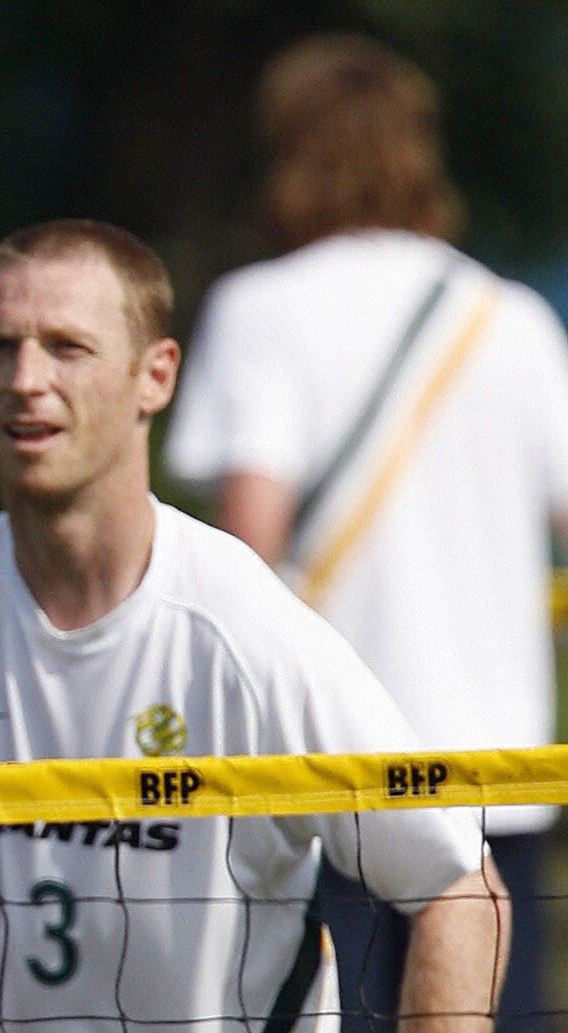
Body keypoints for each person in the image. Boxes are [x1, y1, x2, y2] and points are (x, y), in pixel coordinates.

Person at [0, 220, 508, 1032]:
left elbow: (458, 889)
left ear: (153, 376)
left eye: (65, 347)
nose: (24, 379)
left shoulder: (242, 627)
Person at [164, 35, 568, 1032]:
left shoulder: (262, 311)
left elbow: (244, 556)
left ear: (287, 150)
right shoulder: (507, 316)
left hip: (331, 778)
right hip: (496, 778)